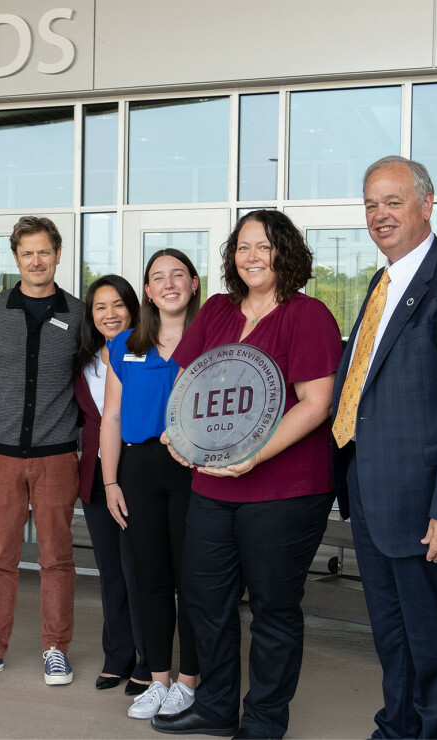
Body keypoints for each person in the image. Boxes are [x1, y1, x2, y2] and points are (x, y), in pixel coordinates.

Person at [152, 210, 343, 738]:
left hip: (283, 489)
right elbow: (188, 381)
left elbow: (316, 403)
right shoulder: (215, 310)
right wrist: (177, 431)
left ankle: (263, 719)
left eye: (264, 246)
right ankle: (215, 707)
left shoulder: (308, 316)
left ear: (285, 252)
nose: (252, 256)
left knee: (273, 608)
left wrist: (257, 454)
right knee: (204, 599)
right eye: (242, 247)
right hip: (212, 484)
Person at [332, 156, 437, 739]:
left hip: (429, 503)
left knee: (435, 639)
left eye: (393, 202)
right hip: (374, 494)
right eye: (371, 204)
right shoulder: (381, 283)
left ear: (426, 205)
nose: (380, 215)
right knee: (393, 633)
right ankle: (397, 728)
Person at [0, 216, 86, 687]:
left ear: (57, 255)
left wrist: (71, 424)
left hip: (56, 458)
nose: (36, 261)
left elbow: (91, 380)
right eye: (27, 253)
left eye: (44, 252)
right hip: (1, 457)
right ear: (16, 258)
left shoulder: (77, 313)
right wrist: (0, 413)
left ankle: (56, 648)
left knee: (56, 557)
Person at [100, 248, 200, 721]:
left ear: (194, 284)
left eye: (178, 274)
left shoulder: (210, 339)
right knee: (151, 579)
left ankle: (189, 681)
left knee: (193, 579)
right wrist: (110, 481)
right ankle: (159, 678)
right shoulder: (125, 344)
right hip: (138, 469)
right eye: (158, 277)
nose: (168, 283)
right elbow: (112, 415)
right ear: (146, 290)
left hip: (193, 470)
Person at [72, 274, 152, 696]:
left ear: (133, 308)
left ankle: (147, 659)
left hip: (137, 474)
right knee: (110, 574)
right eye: (100, 307)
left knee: (138, 570)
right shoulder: (83, 360)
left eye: (118, 305)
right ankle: (118, 655)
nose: (109, 314)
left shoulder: (148, 351)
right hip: (97, 479)